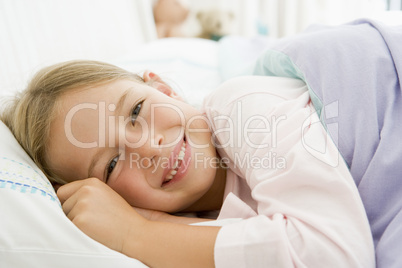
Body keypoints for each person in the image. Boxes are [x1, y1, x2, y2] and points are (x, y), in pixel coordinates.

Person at [0, 59, 375, 268]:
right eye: (112, 164)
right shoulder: (190, 229)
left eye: (136, 111)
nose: (148, 147)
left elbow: (334, 256)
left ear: (164, 89)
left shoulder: (242, 106)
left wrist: (137, 233)